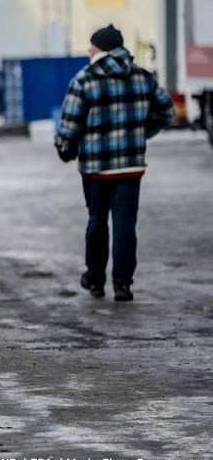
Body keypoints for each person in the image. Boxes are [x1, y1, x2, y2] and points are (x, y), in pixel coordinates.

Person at [55, 24, 175, 302]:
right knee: (125, 224)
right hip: (131, 166)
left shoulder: (85, 79)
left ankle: (95, 280)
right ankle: (123, 283)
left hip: (96, 168)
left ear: (102, 48)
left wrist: (65, 147)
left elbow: (70, 122)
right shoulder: (142, 76)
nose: (88, 50)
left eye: (92, 45)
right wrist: (141, 132)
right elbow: (167, 111)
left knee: (97, 220)